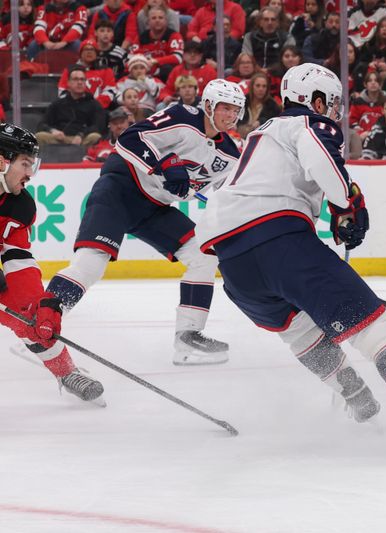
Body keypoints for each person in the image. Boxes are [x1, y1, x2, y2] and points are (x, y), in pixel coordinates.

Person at [195, 63, 386, 454]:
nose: (334, 111)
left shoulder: (259, 138)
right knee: (371, 330)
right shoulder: (304, 124)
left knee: (302, 334)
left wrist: (332, 211)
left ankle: (360, 401)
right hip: (280, 243)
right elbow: (323, 163)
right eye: (331, 102)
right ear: (313, 100)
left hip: (236, 270)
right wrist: (349, 202)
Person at [45, 79, 244, 366]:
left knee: (203, 255)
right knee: (91, 263)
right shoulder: (182, 117)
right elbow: (130, 139)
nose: (231, 115)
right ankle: (44, 315)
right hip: (121, 188)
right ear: (209, 105)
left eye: (236, 110)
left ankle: (188, 337)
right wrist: (164, 167)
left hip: (154, 208)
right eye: (225, 108)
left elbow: (227, 194)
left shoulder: (229, 155)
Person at [0, 124, 105, 403]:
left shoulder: (19, 205)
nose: (29, 175)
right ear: (2, 160)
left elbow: (16, 255)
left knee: (30, 316)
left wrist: (39, 301)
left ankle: (66, 372)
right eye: (25, 164)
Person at [36, 65, 106, 147]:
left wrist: (81, 134)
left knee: (95, 137)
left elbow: (98, 126)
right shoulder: (58, 104)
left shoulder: (94, 104)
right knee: (40, 136)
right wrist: (53, 131)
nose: (79, 82)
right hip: (60, 139)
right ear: (68, 83)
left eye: (82, 79)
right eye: (75, 79)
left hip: (83, 140)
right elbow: (41, 124)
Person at [127, 5, 184, 81]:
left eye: (160, 18)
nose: (157, 20)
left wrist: (156, 61)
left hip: (166, 75)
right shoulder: (141, 37)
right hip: (145, 74)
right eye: (154, 18)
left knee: (167, 69)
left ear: (166, 21)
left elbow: (178, 58)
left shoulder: (174, 35)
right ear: (148, 22)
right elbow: (131, 57)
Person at [57, 39, 116, 108]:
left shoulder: (106, 70)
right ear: (80, 53)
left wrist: (94, 105)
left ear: (97, 53)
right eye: (86, 49)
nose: (89, 52)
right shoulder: (69, 70)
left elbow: (110, 91)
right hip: (73, 110)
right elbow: (62, 92)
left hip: (99, 109)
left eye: (92, 49)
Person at [237, 72, 281, 137]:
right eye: (258, 86)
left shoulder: (273, 106)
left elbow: (275, 126)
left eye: (264, 86)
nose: (261, 89)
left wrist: (261, 122)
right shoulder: (242, 102)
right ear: (252, 87)